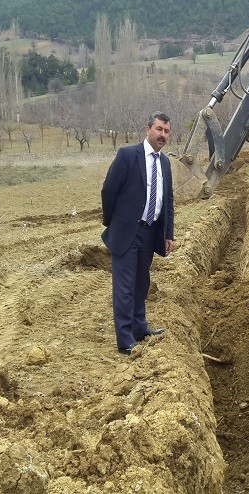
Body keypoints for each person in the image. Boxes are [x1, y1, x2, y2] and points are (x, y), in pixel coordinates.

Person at [101, 112, 175, 355]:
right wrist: (114, 223)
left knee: (142, 283)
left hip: (150, 232)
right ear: (148, 129)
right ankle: (125, 340)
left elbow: (167, 200)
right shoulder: (128, 155)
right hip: (127, 232)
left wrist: (168, 233)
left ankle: (139, 327)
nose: (162, 135)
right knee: (124, 287)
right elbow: (109, 191)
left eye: (166, 131)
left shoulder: (165, 163)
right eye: (159, 129)